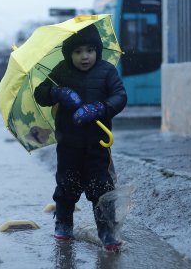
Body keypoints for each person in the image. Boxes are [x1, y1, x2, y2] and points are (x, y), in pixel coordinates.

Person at [34, 24, 127, 252]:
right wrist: (57, 92)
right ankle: (63, 224)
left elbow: (120, 96)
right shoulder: (61, 71)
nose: (84, 56)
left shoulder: (106, 71)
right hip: (69, 144)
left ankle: (107, 233)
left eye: (89, 50)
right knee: (66, 186)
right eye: (77, 52)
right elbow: (40, 93)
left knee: (102, 189)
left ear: (97, 50)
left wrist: (100, 108)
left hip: (98, 144)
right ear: (69, 54)